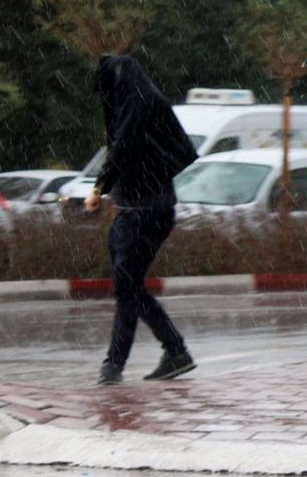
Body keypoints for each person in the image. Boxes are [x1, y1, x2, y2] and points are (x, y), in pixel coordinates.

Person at [86, 54, 199, 386]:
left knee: (127, 287)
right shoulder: (142, 99)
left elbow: (122, 146)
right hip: (138, 210)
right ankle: (175, 351)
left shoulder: (139, 103)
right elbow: (123, 146)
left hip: (146, 211)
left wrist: (99, 187)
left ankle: (115, 364)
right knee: (129, 287)